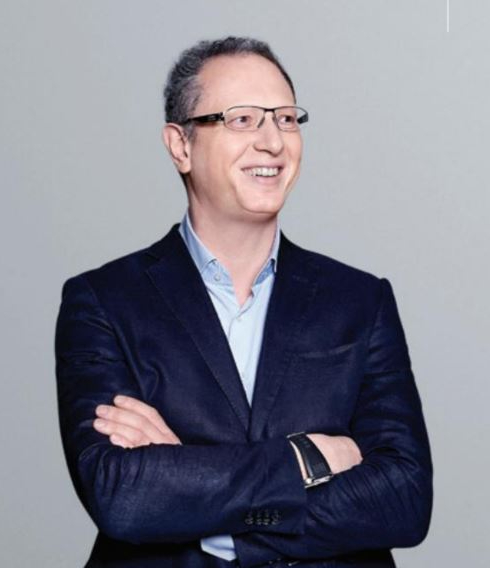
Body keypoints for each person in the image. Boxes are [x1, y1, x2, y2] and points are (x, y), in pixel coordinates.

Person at [55, 36, 432, 568]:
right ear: (180, 146)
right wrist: (308, 457)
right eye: (242, 120)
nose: (273, 142)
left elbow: (404, 498)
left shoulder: (360, 300)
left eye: (286, 119)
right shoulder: (103, 301)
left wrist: (200, 497)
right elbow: (124, 496)